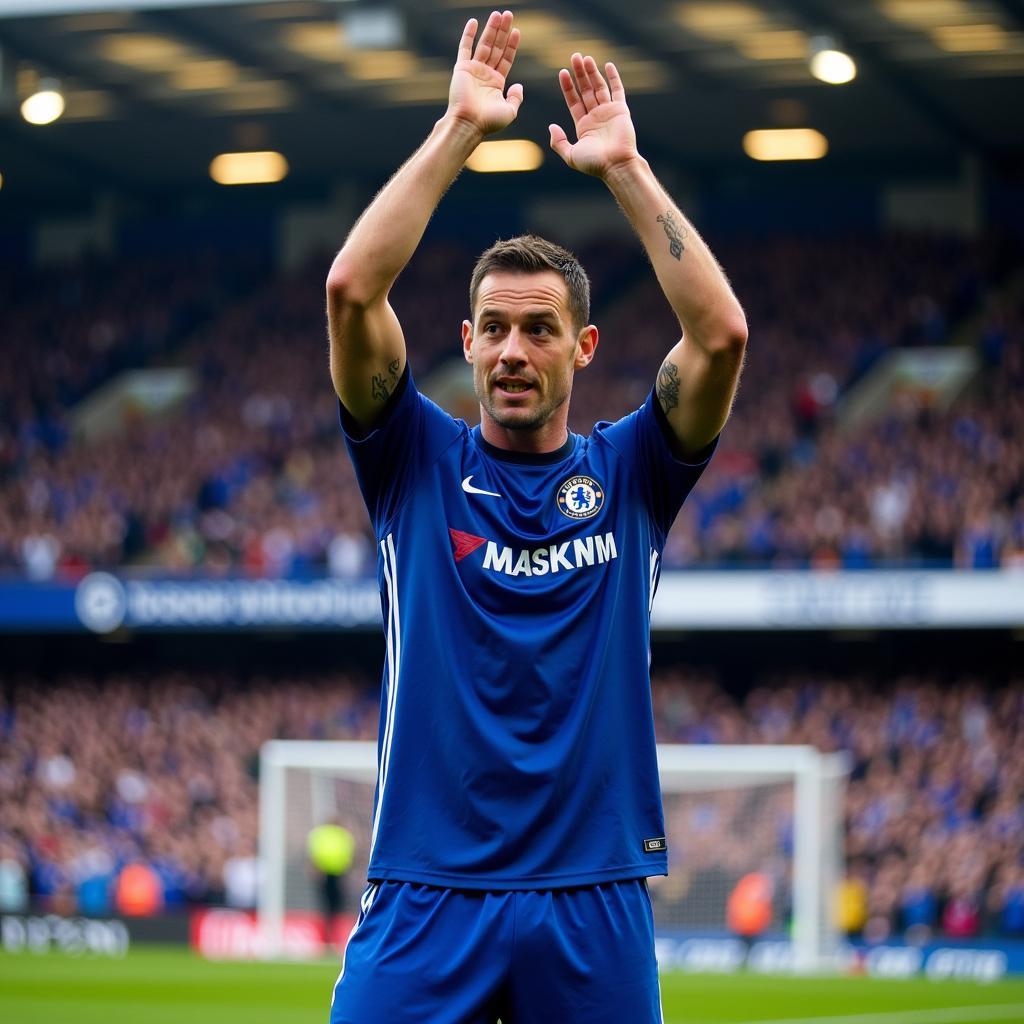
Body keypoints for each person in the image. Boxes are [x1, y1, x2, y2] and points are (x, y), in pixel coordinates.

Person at [325, 10, 746, 1022]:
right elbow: (349, 289)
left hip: (592, 893)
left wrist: (626, 171)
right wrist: (458, 131)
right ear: (466, 342)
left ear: (584, 347)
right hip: (427, 891)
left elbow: (721, 335)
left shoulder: (634, 469)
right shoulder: (411, 459)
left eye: (540, 329)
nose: (514, 350)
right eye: (497, 329)